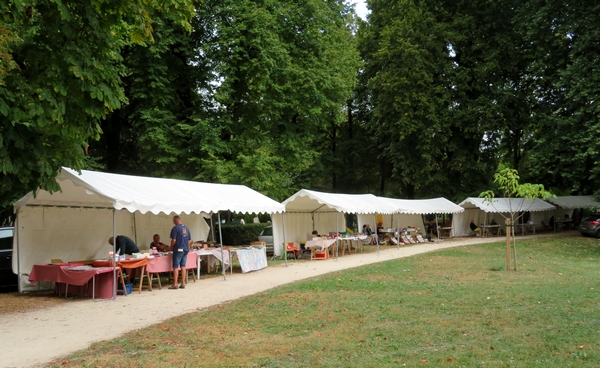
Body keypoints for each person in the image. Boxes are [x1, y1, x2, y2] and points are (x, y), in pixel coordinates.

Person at [169, 215, 192, 289]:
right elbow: (190, 240)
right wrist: (185, 245)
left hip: (178, 249)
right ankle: (183, 283)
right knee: (183, 266)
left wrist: (171, 247)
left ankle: (175, 284)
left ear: (175, 221)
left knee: (175, 266)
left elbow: (174, 240)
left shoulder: (175, 228)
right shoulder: (187, 228)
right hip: (185, 250)